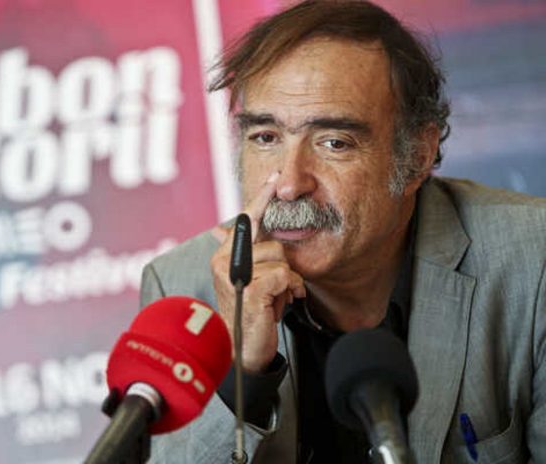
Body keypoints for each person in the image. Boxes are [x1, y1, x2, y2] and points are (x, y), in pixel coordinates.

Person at [139, 1, 546, 462]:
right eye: (266, 138)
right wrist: (243, 372)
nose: (289, 185)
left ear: (417, 156)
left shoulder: (533, 264)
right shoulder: (181, 290)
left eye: (334, 143)